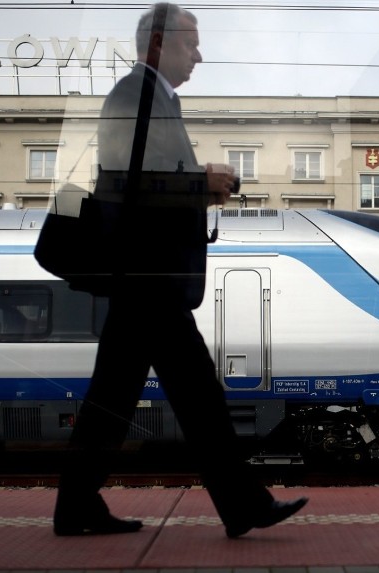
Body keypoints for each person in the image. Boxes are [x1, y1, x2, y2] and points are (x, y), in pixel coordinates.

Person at [53, 2, 308, 538]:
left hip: (150, 280)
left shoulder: (154, 98)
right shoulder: (134, 94)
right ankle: (242, 505)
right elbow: (123, 182)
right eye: (191, 42)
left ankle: (78, 505)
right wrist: (201, 183)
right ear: (158, 43)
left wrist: (197, 184)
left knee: (124, 398)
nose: (199, 54)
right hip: (150, 278)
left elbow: (146, 180)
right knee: (194, 398)